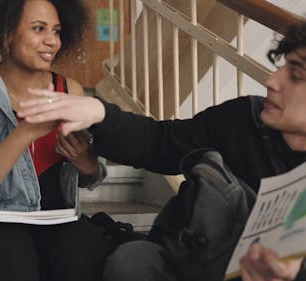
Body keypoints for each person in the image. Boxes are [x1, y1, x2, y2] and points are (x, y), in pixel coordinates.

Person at [18, 22, 306, 281]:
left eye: (295, 75)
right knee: (130, 261)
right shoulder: (242, 119)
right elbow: (159, 143)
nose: (272, 81)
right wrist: (100, 113)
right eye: (282, 67)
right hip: (195, 263)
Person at [0, 0, 114, 280]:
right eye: (39, 29)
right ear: (7, 33)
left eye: (56, 31)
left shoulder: (70, 90)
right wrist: (25, 132)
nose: (52, 42)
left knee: (83, 241)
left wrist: (86, 163)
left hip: (58, 220)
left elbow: (93, 175)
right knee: (10, 249)